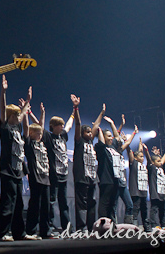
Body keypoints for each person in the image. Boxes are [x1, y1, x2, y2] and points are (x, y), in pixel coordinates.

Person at [0, 75, 37, 241]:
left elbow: (22, 116)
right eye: (15, 115)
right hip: (7, 170)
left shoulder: (17, 129)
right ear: (9, 116)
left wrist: (28, 101)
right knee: (8, 202)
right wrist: (3, 92)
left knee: (19, 203)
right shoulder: (5, 128)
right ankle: (2, 233)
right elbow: (2, 108)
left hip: (18, 171)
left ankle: (19, 233)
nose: (17, 117)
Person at [42, 96, 76, 234]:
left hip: (64, 174)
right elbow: (39, 126)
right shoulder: (49, 137)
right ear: (53, 126)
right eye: (59, 125)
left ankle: (67, 228)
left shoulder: (62, 135)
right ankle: (48, 228)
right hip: (53, 174)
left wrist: (74, 110)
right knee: (51, 201)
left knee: (64, 203)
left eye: (62, 125)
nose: (62, 126)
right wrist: (31, 113)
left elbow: (69, 125)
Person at [73, 99, 103, 231]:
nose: (90, 134)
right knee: (82, 204)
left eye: (91, 132)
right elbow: (78, 124)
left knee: (92, 203)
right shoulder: (79, 142)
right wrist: (76, 108)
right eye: (87, 132)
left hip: (92, 177)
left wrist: (101, 113)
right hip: (82, 177)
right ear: (82, 134)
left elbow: (96, 125)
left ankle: (91, 228)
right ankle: (82, 228)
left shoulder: (91, 143)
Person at [23, 103, 51, 239]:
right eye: (37, 133)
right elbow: (26, 127)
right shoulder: (29, 143)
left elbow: (41, 125)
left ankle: (45, 231)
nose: (40, 135)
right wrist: (25, 111)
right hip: (35, 176)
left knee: (46, 205)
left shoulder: (42, 142)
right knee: (35, 204)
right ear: (31, 133)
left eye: (41, 133)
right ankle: (31, 230)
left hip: (45, 177)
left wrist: (42, 113)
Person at [128, 139, 151, 232]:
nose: (142, 158)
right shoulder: (134, 164)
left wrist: (141, 145)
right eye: (140, 157)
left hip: (143, 191)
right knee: (135, 210)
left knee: (144, 210)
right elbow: (129, 152)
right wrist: (127, 142)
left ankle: (147, 227)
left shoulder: (144, 165)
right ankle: (134, 228)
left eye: (143, 157)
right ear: (136, 157)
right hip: (136, 192)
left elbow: (144, 155)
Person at [144, 145, 165, 229]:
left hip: (162, 193)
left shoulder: (161, 168)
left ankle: (163, 225)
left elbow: (162, 161)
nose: (160, 162)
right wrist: (146, 151)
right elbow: (149, 159)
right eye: (158, 161)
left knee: (163, 210)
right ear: (153, 162)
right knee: (154, 209)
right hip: (155, 193)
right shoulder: (152, 168)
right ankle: (154, 225)